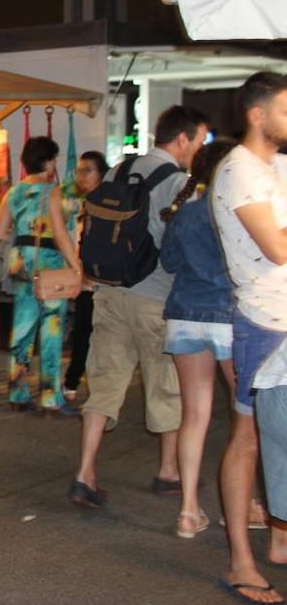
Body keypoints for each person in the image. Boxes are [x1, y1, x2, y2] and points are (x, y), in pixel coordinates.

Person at [70, 106, 207, 508]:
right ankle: (168, 471)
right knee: (166, 384)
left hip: (109, 292)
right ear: (182, 139)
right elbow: (178, 242)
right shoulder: (180, 182)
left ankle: (85, 472)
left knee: (105, 381)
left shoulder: (116, 170)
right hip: (155, 297)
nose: (197, 150)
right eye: (198, 141)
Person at [209, 71, 287, 605]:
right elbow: (277, 247)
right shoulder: (239, 171)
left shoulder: (274, 166)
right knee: (248, 437)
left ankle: (279, 541)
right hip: (263, 321)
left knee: (278, 440)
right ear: (258, 115)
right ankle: (241, 559)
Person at [158, 139, 241, 540]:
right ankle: (246, 504)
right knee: (246, 419)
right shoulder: (239, 211)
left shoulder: (185, 214)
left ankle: (188, 511)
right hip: (229, 316)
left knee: (194, 416)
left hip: (184, 316)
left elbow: (170, 263)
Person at [0, 137, 82, 415]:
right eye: (53, 159)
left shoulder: (14, 192)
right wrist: (76, 266)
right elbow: (60, 232)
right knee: (52, 328)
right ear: (47, 161)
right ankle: (50, 397)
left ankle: (18, 392)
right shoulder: (52, 192)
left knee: (22, 326)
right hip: (50, 263)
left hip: (21, 260)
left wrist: (25, 234)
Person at [62, 151, 108, 401]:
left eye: (86, 170)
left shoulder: (102, 204)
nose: (80, 175)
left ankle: (74, 384)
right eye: (78, 170)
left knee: (89, 335)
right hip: (87, 281)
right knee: (83, 334)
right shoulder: (86, 203)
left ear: (101, 173)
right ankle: (73, 382)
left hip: (98, 282)